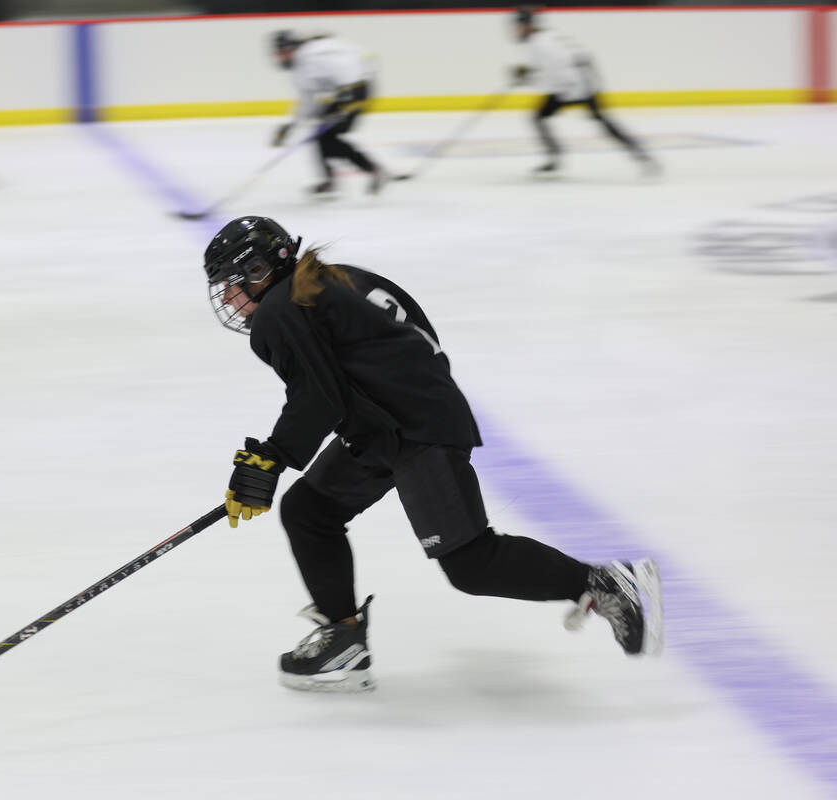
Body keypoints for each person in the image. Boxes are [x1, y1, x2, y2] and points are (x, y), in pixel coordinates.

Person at [203, 216, 663, 693]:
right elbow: (412, 339)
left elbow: (318, 399)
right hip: (395, 423)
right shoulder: (331, 277)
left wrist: (270, 459)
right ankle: (342, 638)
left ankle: (608, 583)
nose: (231, 300)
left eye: (232, 285)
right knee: (309, 509)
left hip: (415, 429)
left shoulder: (282, 308)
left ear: (259, 271)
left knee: (470, 563)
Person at [511, 7, 658, 177]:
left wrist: (528, 79)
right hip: (574, 84)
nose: (516, 29)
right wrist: (530, 76)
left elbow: (556, 74)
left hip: (578, 86)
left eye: (519, 25)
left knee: (603, 123)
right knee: (539, 117)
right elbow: (567, 64)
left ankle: (641, 156)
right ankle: (555, 158)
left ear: (528, 25)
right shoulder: (541, 39)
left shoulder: (542, 44)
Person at [270, 30, 386, 196]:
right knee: (321, 135)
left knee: (328, 136)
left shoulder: (313, 54)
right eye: (278, 54)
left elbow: (350, 62)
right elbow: (308, 99)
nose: (280, 57)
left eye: (283, 52)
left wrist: (355, 88)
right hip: (344, 93)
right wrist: (292, 125)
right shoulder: (300, 66)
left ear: (292, 48)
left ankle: (373, 169)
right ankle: (331, 180)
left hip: (357, 89)